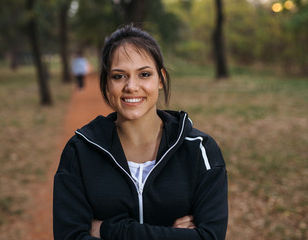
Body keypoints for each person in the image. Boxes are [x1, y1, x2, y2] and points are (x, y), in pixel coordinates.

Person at [53, 25, 228, 239]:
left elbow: (210, 237)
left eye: (144, 74)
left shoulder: (200, 150)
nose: (132, 86)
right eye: (119, 76)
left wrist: (109, 229)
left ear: (161, 79)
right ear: (107, 83)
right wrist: (171, 235)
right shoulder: (79, 152)